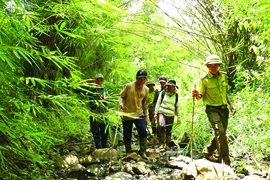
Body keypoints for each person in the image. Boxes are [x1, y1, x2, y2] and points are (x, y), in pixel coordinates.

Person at [192, 54, 236, 166]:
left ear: (218, 65)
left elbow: (224, 93)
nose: (213, 67)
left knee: (221, 133)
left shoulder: (223, 76)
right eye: (211, 65)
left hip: (224, 109)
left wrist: (231, 104)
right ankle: (226, 162)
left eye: (215, 65)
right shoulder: (204, 80)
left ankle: (208, 150)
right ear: (207, 66)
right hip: (212, 109)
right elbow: (200, 96)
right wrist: (196, 95)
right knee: (220, 132)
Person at [119, 69, 149, 159]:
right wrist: (121, 103)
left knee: (143, 131)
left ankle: (142, 151)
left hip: (139, 114)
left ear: (146, 80)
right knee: (127, 133)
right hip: (127, 114)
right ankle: (128, 151)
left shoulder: (146, 89)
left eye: (143, 79)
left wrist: (146, 117)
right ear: (136, 78)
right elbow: (121, 96)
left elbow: (145, 104)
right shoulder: (128, 86)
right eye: (140, 79)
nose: (141, 81)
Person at [154, 79, 181, 150]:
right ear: (167, 86)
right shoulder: (163, 93)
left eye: (172, 86)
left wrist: (179, 116)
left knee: (169, 130)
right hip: (162, 112)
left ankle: (167, 144)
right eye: (169, 86)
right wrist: (156, 113)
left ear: (174, 87)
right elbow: (158, 103)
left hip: (171, 114)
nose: (170, 88)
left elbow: (177, 106)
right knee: (161, 125)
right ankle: (162, 143)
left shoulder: (176, 95)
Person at [89, 74, 109, 149]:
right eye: (98, 79)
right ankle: (98, 148)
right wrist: (89, 81)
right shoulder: (90, 89)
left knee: (105, 131)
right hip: (94, 113)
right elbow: (79, 86)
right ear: (95, 80)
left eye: (101, 80)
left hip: (103, 113)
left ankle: (104, 147)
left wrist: (102, 97)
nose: (99, 81)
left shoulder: (104, 89)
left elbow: (107, 98)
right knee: (95, 131)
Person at [153, 75, 168, 141]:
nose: (162, 83)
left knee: (167, 125)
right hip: (159, 110)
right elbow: (155, 101)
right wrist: (154, 110)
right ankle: (160, 140)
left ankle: (166, 140)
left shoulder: (169, 89)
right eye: (161, 82)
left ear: (166, 82)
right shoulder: (157, 90)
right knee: (160, 125)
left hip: (167, 109)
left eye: (163, 82)